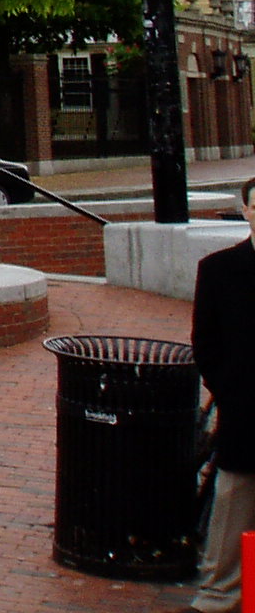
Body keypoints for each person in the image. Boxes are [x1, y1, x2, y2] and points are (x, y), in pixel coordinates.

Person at [188, 178, 255, 613]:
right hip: (247, 411)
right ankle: (221, 594)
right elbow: (205, 346)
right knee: (234, 507)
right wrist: (230, 391)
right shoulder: (218, 270)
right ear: (247, 211)